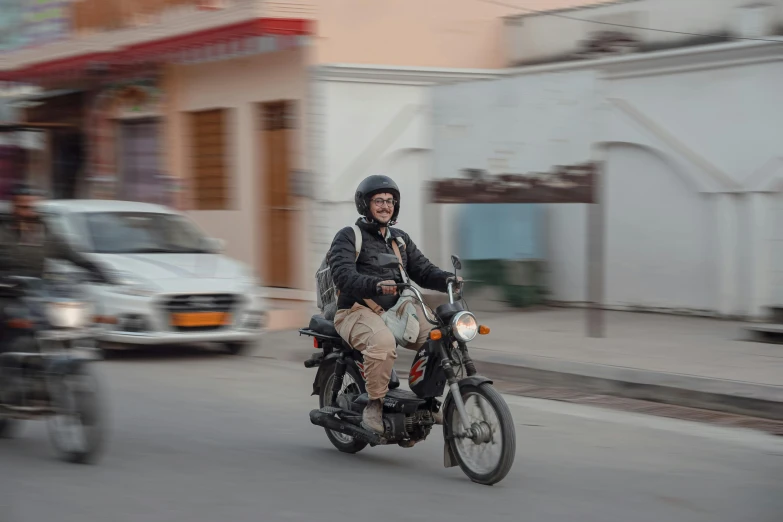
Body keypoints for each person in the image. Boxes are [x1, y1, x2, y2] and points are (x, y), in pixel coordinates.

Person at [328, 175, 460, 434]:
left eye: (390, 201)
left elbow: (422, 270)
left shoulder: (399, 239)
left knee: (441, 338)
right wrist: (374, 285)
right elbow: (342, 274)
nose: (385, 206)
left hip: (397, 310)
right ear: (365, 204)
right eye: (378, 201)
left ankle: (429, 400)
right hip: (355, 310)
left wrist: (448, 279)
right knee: (383, 343)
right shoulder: (348, 236)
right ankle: (374, 405)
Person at [0, 184, 111, 351]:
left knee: (58, 323)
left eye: (32, 207)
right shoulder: (3, 230)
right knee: (8, 326)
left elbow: (68, 251)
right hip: (6, 292)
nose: (28, 212)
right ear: (13, 207)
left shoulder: (43, 232)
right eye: (23, 207)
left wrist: (93, 267)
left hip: (36, 292)